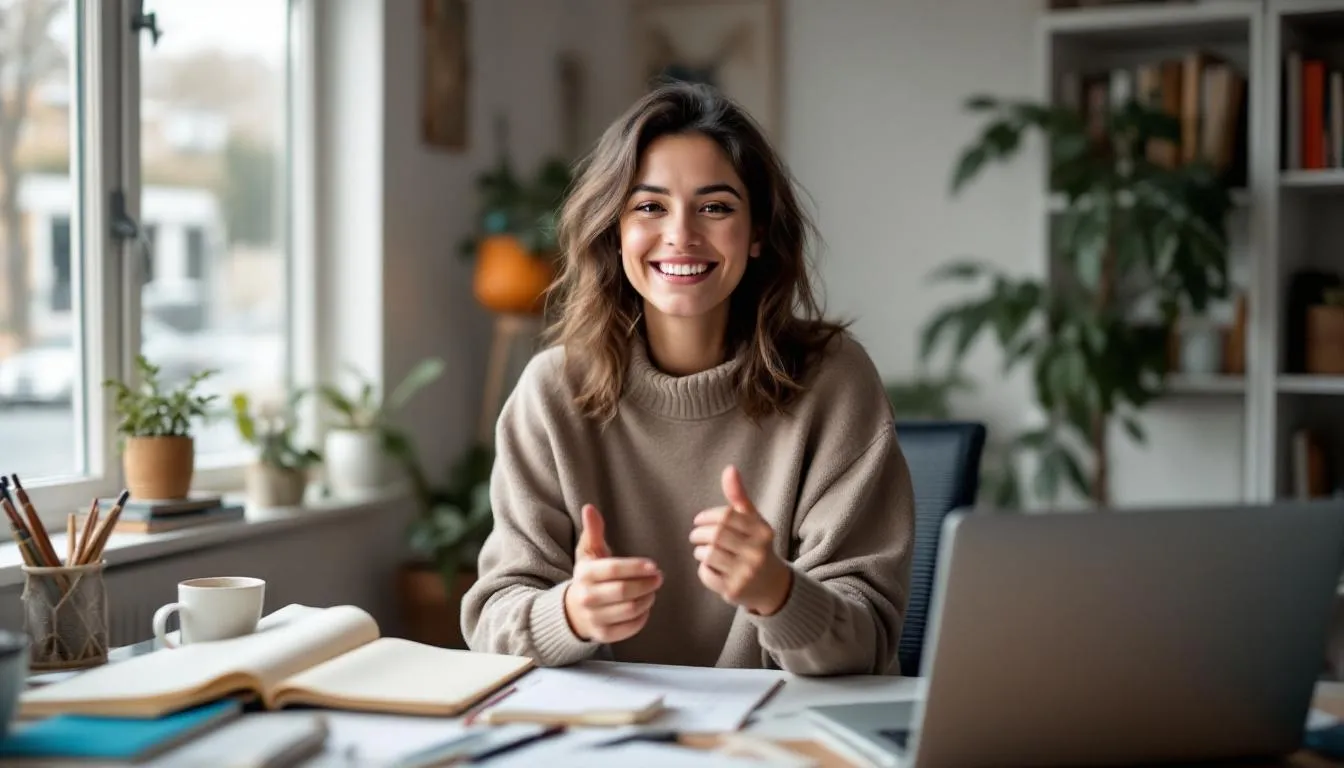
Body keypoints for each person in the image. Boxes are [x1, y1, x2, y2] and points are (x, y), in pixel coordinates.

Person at [460, 81, 914, 676]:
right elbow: (494, 618)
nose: (681, 234)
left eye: (716, 206)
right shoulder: (550, 394)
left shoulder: (835, 382)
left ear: (756, 234)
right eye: (649, 207)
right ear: (615, 229)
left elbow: (869, 643)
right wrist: (569, 613)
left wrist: (778, 593)